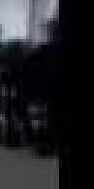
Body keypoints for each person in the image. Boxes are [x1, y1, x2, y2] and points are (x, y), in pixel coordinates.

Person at [24, 19, 62, 156]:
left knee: (45, 119)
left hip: (45, 91)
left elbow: (29, 70)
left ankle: (44, 146)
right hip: (49, 90)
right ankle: (49, 144)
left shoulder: (42, 50)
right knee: (50, 119)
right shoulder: (42, 50)